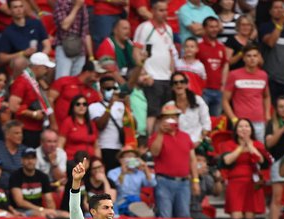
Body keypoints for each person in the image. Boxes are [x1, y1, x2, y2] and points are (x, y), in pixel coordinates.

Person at [134, 0, 178, 135]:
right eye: (161, 10)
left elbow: (170, 53)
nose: (164, 13)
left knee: (165, 112)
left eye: (166, 10)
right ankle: (149, 141)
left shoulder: (169, 29)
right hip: (152, 76)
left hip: (166, 77)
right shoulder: (145, 27)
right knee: (152, 112)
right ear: (152, 11)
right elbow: (136, 51)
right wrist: (143, 73)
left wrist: (172, 74)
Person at [149, 104, 200, 218]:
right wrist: (161, 133)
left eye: (174, 117)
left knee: (184, 216)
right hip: (164, 182)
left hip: (184, 183)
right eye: (167, 117)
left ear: (178, 119)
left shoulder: (186, 136)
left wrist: (195, 180)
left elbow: (192, 160)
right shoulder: (156, 136)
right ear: (162, 120)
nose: (171, 120)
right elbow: (154, 152)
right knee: (164, 216)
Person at [219, 118, 271, 219]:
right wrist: (241, 147)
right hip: (235, 183)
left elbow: (261, 160)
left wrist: (250, 145)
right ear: (236, 130)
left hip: (252, 183)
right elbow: (227, 160)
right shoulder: (229, 144)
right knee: (236, 216)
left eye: (247, 126)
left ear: (251, 129)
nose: (244, 129)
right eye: (240, 126)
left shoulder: (257, 144)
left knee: (250, 217)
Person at [223, 45, 271, 142]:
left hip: (259, 121)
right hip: (241, 122)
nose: (252, 59)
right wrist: (234, 119)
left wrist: (267, 114)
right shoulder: (234, 74)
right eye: (249, 56)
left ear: (259, 57)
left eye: (255, 56)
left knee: (259, 151)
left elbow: (266, 96)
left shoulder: (263, 75)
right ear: (244, 58)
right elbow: (225, 100)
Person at [9, 52, 56, 148]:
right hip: (26, 130)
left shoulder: (35, 81)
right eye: (45, 68)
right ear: (37, 67)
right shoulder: (22, 82)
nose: (47, 71)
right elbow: (13, 106)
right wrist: (33, 114)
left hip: (36, 128)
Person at [10, 147, 66, 218]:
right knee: (42, 215)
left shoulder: (43, 176)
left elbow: (49, 200)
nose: (30, 161)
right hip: (21, 211)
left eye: (33, 158)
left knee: (66, 215)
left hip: (40, 210)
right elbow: (20, 202)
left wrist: (52, 211)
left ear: (36, 160)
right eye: (27, 158)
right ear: (22, 160)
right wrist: (41, 209)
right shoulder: (15, 176)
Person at [49, 60, 102, 130]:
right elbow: (49, 100)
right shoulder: (64, 81)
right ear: (87, 72)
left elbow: (96, 112)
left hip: (78, 133)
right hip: (58, 128)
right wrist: (53, 123)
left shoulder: (94, 93)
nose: (97, 80)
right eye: (96, 76)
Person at [89, 76, 126, 172]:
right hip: (105, 147)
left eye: (114, 88)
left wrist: (129, 108)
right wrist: (110, 106)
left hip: (121, 149)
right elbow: (100, 125)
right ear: (101, 89)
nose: (112, 91)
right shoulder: (94, 107)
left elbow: (133, 125)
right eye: (108, 89)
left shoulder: (121, 105)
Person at [0, 0, 51, 65]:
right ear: (10, 10)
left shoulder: (36, 23)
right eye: (15, 7)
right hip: (24, 60)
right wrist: (22, 53)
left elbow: (47, 45)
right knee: (19, 62)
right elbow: (2, 58)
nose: (19, 10)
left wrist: (40, 58)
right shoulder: (7, 32)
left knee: (54, 64)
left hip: (40, 58)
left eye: (21, 6)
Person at [165, 72, 211, 146]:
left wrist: (199, 141)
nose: (179, 85)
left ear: (186, 84)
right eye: (175, 83)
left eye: (182, 82)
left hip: (198, 142)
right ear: (172, 87)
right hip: (178, 145)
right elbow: (167, 130)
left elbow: (206, 124)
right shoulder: (169, 106)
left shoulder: (198, 100)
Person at [107, 148, 156, 216]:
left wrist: (145, 168)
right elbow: (115, 187)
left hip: (136, 203)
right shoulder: (113, 172)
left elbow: (152, 183)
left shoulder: (140, 173)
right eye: (128, 156)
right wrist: (123, 173)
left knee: (138, 205)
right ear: (121, 160)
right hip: (119, 203)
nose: (131, 159)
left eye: (133, 157)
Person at [198, 17, 229, 117]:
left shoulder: (221, 47)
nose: (214, 29)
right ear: (204, 28)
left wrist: (223, 85)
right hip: (204, 90)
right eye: (211, 27)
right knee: (203, 119)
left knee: (216, 122)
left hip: (218, 91)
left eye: (216, 27)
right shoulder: (198, 46)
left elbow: (225, 65)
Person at [53, 0, 92, 79]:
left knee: (75, 83)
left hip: (80, 50)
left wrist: (91, 56)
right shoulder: (61, 3)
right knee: (62, 81)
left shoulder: (83, 5)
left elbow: (86, 32)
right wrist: (76, 7)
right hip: (64, 48)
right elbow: (64, 26)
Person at [58, 95, 100, 161]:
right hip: (72, 161)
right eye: (78, 104)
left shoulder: (91, 124)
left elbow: (96, 146)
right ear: (73, 107)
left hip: (90, 162)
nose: (81, 106)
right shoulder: (67, 122)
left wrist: (98, 160)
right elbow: (60, 145)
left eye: (84, 104)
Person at [190, 152, 224, 218]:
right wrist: (195, 174)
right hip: (183, 211)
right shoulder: (183, 177)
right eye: (198, 160)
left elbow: (216, 193)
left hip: (197, 211)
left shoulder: (205, 177)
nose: (203, 164)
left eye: (204, 161)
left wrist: (217, 180)